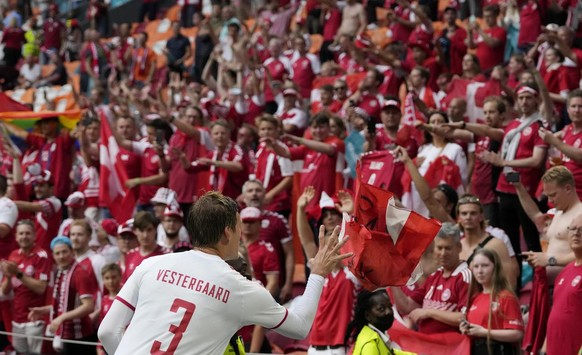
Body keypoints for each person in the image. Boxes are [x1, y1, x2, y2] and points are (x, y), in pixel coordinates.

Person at [98, 191, 352, 354]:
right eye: (239, 227)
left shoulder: (151, 264)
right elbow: (300, 327)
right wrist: (317, 272)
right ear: (228, 233)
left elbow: (107, 332)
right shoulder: (240, 288)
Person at [390, 222, 470, 334]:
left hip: (451, 347)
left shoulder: (465, 276)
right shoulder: (435, 276)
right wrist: (391, 280)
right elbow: (407, 307)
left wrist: (429, 312)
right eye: (439, 248)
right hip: (427, 345)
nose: (443, 253)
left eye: (448, 248)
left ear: (459, 248)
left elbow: (466, 317)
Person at [29, 237, 98, 355]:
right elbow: (65, 305)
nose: (61, 256)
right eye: (57, 253)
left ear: (72, 252)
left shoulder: (79, 273)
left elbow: (89, 306)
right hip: (66, 334)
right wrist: (43, 310)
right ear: (53, 256)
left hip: (80, 335)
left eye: (64, 252)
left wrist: (62, 318)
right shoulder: (62, 271)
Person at [0, 220, 51, 355]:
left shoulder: (41, 255)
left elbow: (41, 288)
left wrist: (17, 273)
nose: (24, 236)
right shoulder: (13, 255)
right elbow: (5, 291)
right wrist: (9, 276)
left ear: (34, 236)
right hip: (17, 319)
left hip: (35, 320)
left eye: (28, 233)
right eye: (21, 233)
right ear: (16, 237)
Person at [461, 249, 524, 355]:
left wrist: (485, 332)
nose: (480, 271)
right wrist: (466, 328)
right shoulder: (475, 297)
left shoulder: (505, 297)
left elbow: (517, 333)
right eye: (476, 266)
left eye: (485, 265)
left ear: (495, 268)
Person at [456, 195, 518, 289]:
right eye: (464, 214)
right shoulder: (455, 246)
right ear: (459, 219)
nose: (468, 217)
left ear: (481, 217)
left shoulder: (497, 244)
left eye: (473, 213)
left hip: (487, 299)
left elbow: (510, 281)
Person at [545, 214, 582, 355]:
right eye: (572, 229)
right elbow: (556, 313)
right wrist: (544, 350)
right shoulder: (566, 270)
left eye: (581, 229)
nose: (576, 233)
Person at [345, 289, 414, 355]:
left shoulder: (376, 335)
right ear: (367, 315)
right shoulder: (370, 345)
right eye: (381, 309)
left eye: (390, 306)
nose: (388, 312)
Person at [122, 211, 168, 281]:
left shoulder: (167, 255)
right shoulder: (129, 255)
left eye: (149, 230)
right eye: (141, 230)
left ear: (155, 230)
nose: (145, 235)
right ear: (135, 231)